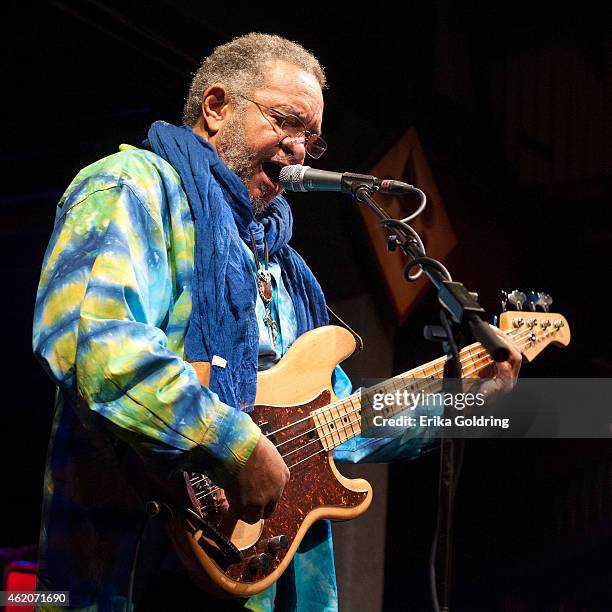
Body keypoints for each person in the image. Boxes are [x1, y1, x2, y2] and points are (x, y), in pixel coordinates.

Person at [33, 33, 521, 611]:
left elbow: (340, 421)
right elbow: (93, 343)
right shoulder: (133, 186)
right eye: (286, 121)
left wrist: (465, 401)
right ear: (216, 108)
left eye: (311, 139)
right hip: (135, 567)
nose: (298, 148)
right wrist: (234, 445)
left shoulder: (282, 265)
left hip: (266, 583)